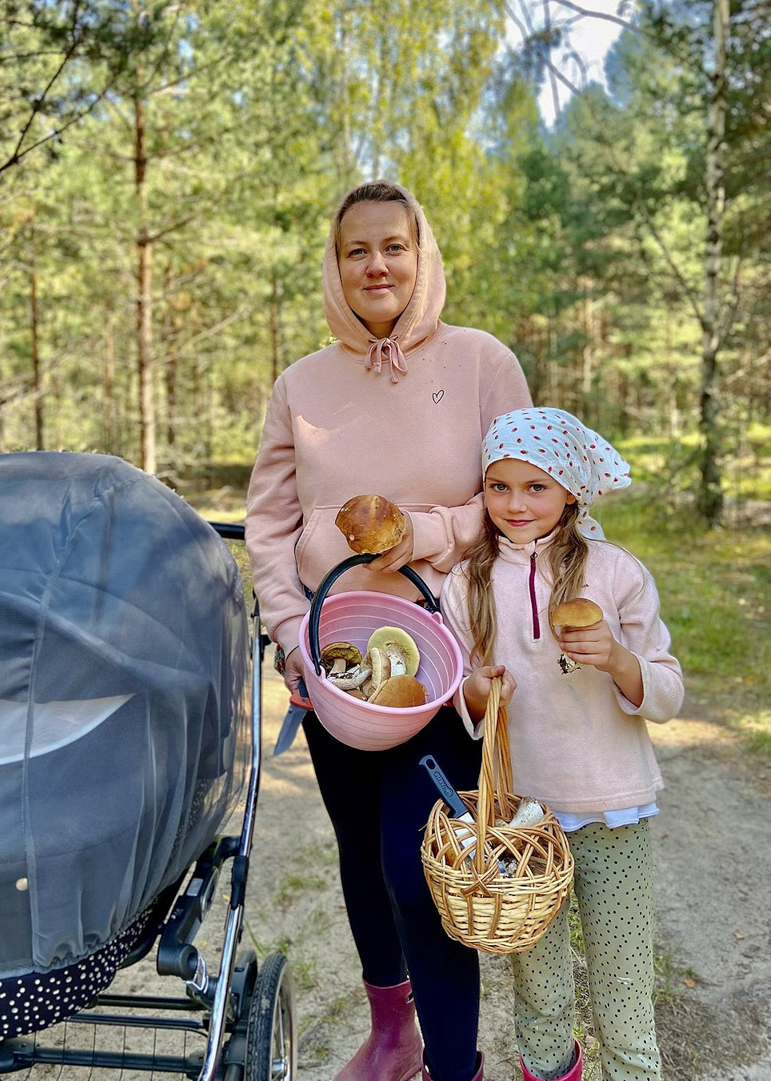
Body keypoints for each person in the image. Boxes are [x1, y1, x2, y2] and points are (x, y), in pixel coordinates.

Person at [244, 180, 531, 1081]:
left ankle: (455, 1066)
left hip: (444, 659)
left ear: (423, 254)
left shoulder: (482, 363)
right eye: (356, 250)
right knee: (364, 862)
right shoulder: (300, 383)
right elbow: (269, 522)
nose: (376, 265)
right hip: (332, 664)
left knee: (422, 873)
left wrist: (428, 532)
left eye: (393, 246)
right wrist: (294, 633)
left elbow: (520, 505)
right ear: (335, 267)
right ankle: (391, 1033)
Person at [440, 407, 685, 1081]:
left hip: (615, 808)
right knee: (541, 992)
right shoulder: (468, 582)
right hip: (525, 821)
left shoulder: (615, 573)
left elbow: (667, 693)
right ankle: (548, 1070)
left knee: (624, 985)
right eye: (499, 487)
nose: (515, 505)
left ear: (572, 489)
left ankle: (634, 1070)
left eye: (536, 487)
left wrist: (618, 659)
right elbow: (460, 692)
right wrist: (479, 693)